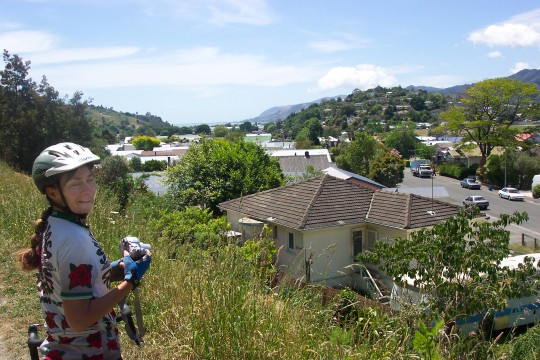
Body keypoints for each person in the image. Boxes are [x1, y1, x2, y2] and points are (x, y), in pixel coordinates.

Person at [17, 142, 151, 360]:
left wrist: (116, 269)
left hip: (65, 347)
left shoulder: (55, 225)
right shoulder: (74, 240)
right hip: (88, 351)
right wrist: (131, 281)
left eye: (90, 179)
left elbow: (72, 276)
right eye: (76, 183)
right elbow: (79, 320)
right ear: (53, 192)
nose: (88, 189)